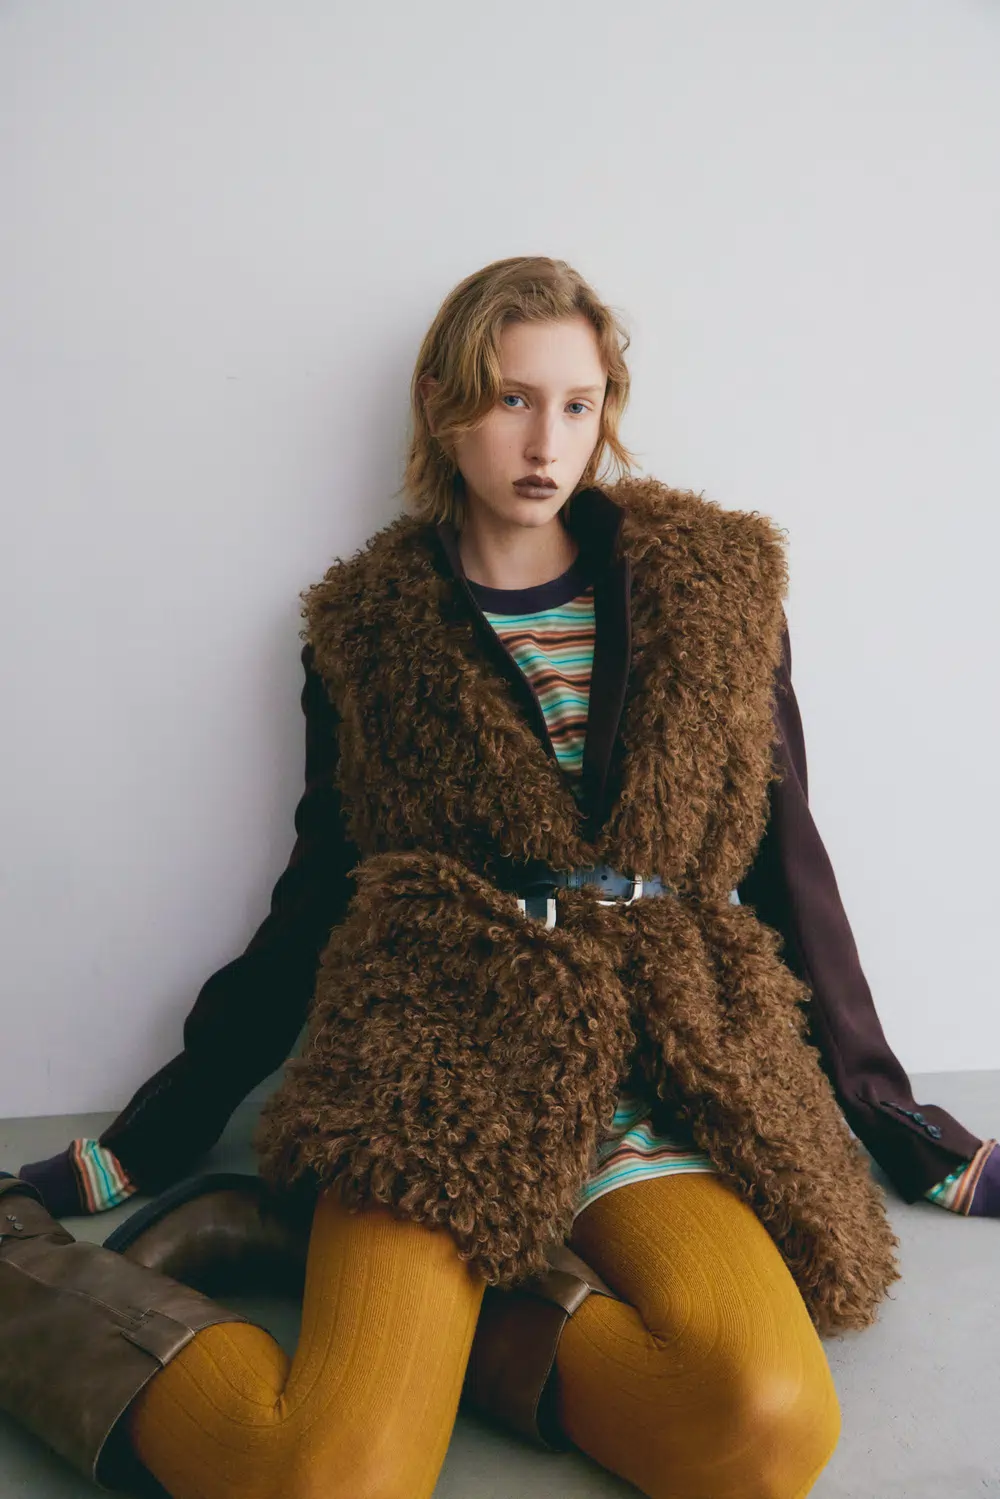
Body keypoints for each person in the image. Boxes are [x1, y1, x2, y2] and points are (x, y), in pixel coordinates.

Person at [1, 256, 997, 1499]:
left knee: (765, 1427)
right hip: (438, 1056)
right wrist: (149, 1137)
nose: (546, 442)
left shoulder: (716, 588)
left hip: (654, 1055)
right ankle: (18, 1279)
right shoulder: (368, 629)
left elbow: (788, 861)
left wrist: (908, 1129)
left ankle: (412, 1291)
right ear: (441, 403)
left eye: (578, 403)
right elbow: (317, 896)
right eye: (511, 399)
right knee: (329, 1477)